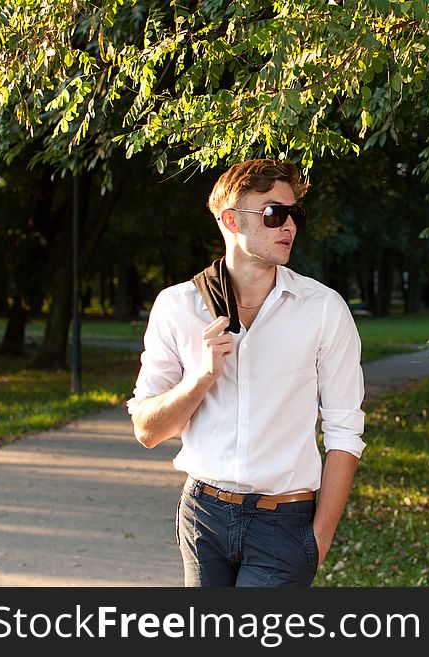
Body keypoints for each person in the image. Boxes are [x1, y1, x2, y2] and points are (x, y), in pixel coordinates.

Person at [126, 159, 365, 587]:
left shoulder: (323, 309)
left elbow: (345, 433)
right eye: (274, 213)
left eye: (295, 214)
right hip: (204, 517)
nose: (288, 225)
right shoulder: (178, 307)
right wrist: (199, 379)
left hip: (285, 523)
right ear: (231, 220)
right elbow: (147, 430)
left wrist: (320, 538)